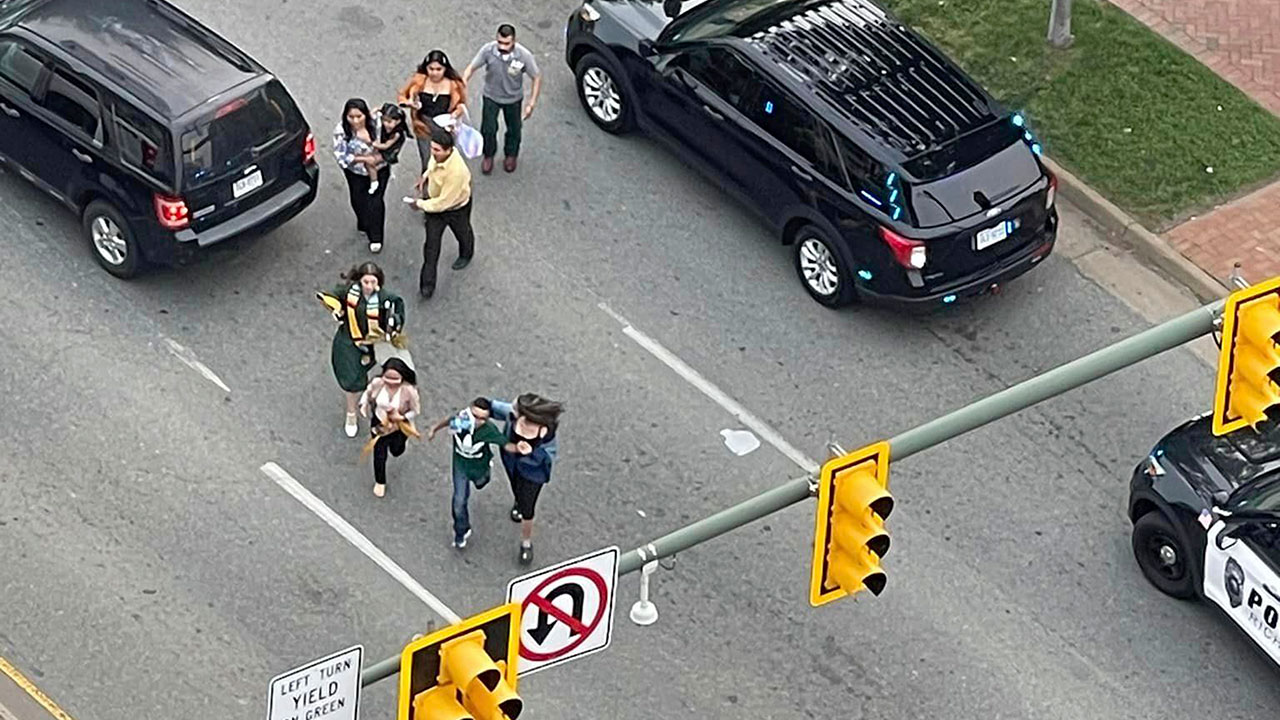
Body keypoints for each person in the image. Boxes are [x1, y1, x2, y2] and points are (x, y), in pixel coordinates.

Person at [325, 262, 405, 438]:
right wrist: (336, 309)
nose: (369, 286)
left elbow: (398, 309)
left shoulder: (386, 298)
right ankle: (351, 413)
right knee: (351, 381)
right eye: (365, 282)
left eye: (373, 282)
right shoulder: (349, 292)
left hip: (377, 341)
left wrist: (395, 323)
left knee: (394, 369)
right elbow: (331, 297)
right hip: (351, 341)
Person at [488, 393, 563, 565]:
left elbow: (548, 457)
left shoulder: (546, 432)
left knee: (528, 508)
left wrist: (531, 452)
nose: (511, 407)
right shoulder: (514, 416)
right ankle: (517, 502)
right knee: (516, 488)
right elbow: (494, 407)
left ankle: (526, 542)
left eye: (515, 406)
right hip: (512, 463)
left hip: (533, 472)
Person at [427, 397, 510, 549]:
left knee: (481, 483)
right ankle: (461, 531)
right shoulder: (462, 420)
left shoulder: (489, 430)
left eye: (483, 418)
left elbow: (505, 444)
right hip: (461, 467)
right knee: (459, 501)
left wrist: (520, 448)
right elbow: (448, 421)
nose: (478, 421)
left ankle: (485, 474)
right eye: (475, 415)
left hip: (479, 467)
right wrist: (434, 428)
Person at [462, 24, 542, 175]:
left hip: (513, 99)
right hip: (491, 96)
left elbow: (536, 77)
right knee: (488, 128)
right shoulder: (488, 50)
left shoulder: (523, 56)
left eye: (506, 43)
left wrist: (531, 103)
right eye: (500, 42)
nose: (502, 46)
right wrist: (464, 81)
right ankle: (489, 154)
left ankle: (511, 155)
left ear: (514, 41)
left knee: (514, 129)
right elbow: (472, 67)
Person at [406, 130, 473, 300]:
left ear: (448, 150)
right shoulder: (438, 156)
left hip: (455, 208)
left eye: (437, 150)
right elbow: (431, 165)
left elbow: (443, 203)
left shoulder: (456, 172)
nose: (433, 152)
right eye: (432, 148)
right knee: (431, 246)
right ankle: (427, 285)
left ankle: (466, 253)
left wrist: (419, 204)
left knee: (462, 232)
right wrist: (425, 177)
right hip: (435, 205)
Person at [333, 98, 391, 252]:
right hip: (356, 172)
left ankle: (376, 237)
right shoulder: (342, 131)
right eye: (351, 117)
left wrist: (379, 156)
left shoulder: (377, 124)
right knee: (358, 200)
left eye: (359, 116)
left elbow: (393, 139)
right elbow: (341, 156)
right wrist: (363, 159)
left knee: (376, 202)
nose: (355, 121)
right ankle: (364, 222)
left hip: (380, 169)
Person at [359, 358, 421, 498]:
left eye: (395, 378)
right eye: (388, 377)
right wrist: (363, 405)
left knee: (396, 450)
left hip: (399, 426)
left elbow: (416, 410)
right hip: (380, 422)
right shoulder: (377, 384)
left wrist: (402, 417)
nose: (391, 382)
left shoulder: (409, 391)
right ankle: (380, 481)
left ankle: (400, 445)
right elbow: (367, 394)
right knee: (379, 453)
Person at [398, 50, 468, 171]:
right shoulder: (419, 81)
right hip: (423, 124)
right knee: (427, 159)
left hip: (444, 127)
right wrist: (408, 103)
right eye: (431, 69)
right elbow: (402, 96)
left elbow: (461, 103)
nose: (434, 73)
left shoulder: (453, 84)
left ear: (445, 69)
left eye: (438, 69)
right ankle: (427, 183)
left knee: (445, 158)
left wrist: (456, 114)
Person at [359, 104, 408, 195]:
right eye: (384, 120)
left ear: (398, 121)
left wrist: (373, 144)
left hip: (388, 152)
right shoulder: (381, 126)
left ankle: (374, 181)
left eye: (389, 122)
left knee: (369, 162)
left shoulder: (397, 134)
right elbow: (368, 119)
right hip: (381, 145)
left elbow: (386, 146)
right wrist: (375, 110)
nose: (386, 124)